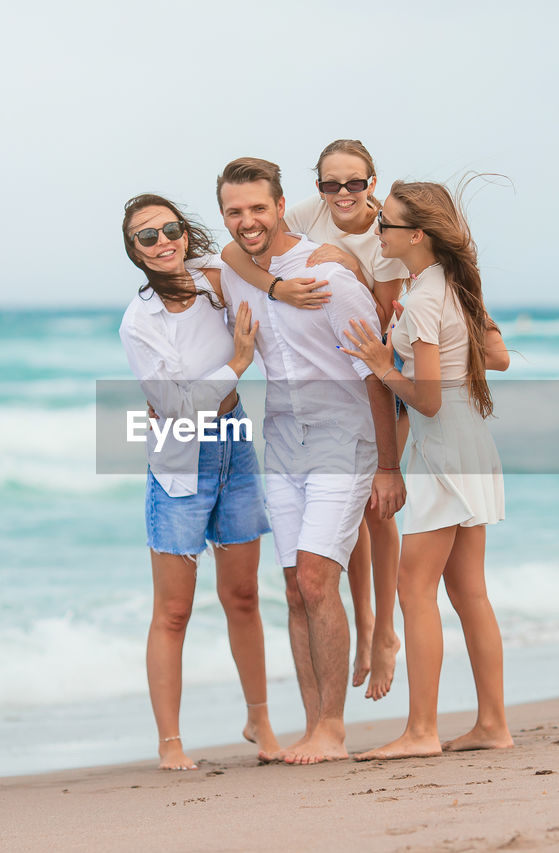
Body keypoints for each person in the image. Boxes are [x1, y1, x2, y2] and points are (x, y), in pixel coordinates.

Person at [215, 157, 405, 764]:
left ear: (280, 206)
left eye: (257, 209)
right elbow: (195, 269)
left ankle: (333, 728)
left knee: (320, 577)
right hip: (281, 440)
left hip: (342, 440)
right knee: (296, 585)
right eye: (234, 211)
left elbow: (375, 373)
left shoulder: (328, 272)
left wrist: (388, 465)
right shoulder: (237, 271)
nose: (247, 222)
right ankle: (311, 725)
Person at [341, 180, 514, 760]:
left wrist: (383, 363)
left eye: (384, 223)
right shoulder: (450, 285)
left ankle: (421, 732)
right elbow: (498, 357)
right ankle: (492, 724)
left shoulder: (423, 298)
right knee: (469, 593)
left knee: (413, 589)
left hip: (443, 453)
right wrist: (416, 337)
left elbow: (430, 400)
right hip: (475, 447)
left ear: (416, 235)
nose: (375, 230)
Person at [118, 193, 281, 770]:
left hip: (234, 441)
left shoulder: (219, 282)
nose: (162, 241)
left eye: (169, 229)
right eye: (146, 236)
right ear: (134, 253)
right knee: (174, 611)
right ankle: (170, 744)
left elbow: (274, 280)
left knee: (243, 595)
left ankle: (259, 717)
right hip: (178, 456)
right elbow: (176, 406)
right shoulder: (140, 322)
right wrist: (235, 365)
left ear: (185, 232)